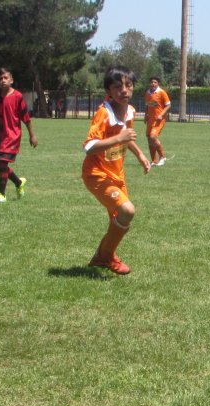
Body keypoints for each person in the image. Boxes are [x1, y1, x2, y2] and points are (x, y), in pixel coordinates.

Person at [82, 66, 151, 275]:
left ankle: (104, 257)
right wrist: (118, 139)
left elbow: (125, 134)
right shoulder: (104, 113)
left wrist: (139, 154)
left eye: (128, 85)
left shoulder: (130, 110)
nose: (124, 90)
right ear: (108, 91)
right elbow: (89, 146)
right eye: (117, 86)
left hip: (117, 174)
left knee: (122, 218)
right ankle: (105, 256)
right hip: (96, 174)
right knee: (127, 210)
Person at [0, 67, 37, 203]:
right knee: (0, 166)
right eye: (0, 79)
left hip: (12, 136)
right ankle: (19, 183)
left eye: (5, 78)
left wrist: (32, 135)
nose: (3, 81)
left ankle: (1, 194)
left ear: (11, 80)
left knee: (2, 163)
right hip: (0, 136)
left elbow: (26, 117)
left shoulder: (17, 97)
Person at [144, 76, 171, 166]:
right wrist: (145, 115)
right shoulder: (147, 93)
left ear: (158, 84)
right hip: (150, 119)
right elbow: (148, 105)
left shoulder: (162, 92)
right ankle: (154, 161)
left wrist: (161, 114)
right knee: (149, 139)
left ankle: (162, 157)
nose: (153, 84)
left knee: (153, 137)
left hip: (159, 119)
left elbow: (168, 105)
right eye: (151, 82)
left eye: (155, 82)